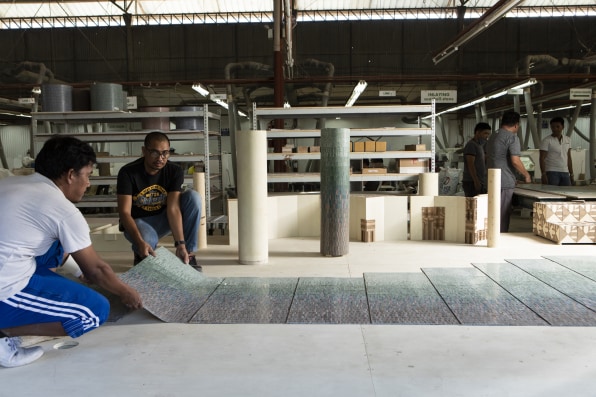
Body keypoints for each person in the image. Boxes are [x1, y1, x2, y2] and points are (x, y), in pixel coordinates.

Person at [0, 135, 142, 368]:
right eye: (87, 175)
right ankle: (4, 334)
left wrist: (78, 272)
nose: (88, 183)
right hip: (4, 290)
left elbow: (67, 255)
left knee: (54, 243)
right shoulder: (61, 209)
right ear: (70, 175)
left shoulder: (13, 183)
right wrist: (126, 291)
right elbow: (97, 270)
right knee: (94, 311)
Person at [117, 131, 202, 270]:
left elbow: (173, 208)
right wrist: (139, 242)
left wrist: (180, 244)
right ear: (144, 151)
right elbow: (124, 213)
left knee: (193, 197)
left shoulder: (174, 171)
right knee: (147, 239)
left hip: (164, 218)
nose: (161, 158)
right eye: (155, 153)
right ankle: (141, 252)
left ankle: (188, 253)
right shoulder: (128, 172)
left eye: (165, 153)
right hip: (139, 222)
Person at [486, 111, 532, 233]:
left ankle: (491, 235)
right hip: (504, 182)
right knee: (502, 214)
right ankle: (499, 238)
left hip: (491, 180)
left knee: (492, 212)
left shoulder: (493, 136)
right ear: (516, 125)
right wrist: (527, 175)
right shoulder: (512, 137)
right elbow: (515, 161)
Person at [539, 116, 573, 186]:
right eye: (553, 127)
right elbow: (542, 158)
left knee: (567, 194)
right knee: (552, 194)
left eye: (558, 126)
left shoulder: (568, 140)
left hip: (565, 172)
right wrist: (543, 174)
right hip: (551, 171)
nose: (555, 129)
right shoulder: (547, 140)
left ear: (563, 127)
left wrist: (571, 173)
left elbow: (569, 157)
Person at [462, 122, 491, 197]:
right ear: (477, 132)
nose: (487, 136)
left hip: (479, 181)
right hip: (471, 182)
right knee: (472, 206)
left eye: (488, 134)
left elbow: (480, 160)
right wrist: (476, 181)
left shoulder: (479, 146)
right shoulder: (471, 145)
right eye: (485, 133)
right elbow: (470, 164)